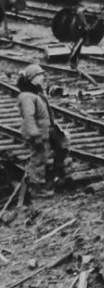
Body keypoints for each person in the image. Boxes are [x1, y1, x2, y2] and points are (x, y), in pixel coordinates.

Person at [16, 63, 68, 198]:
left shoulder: (36, 92)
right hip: (38, 132)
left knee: (62, 145)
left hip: (49, 129)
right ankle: (37, 188)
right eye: (38, 75)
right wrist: (34, 135)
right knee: (39, 159)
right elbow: (28, 117)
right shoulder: (27, 96)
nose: (42, 77)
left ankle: (57, 175)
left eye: (42, 75)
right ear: (31, 79)